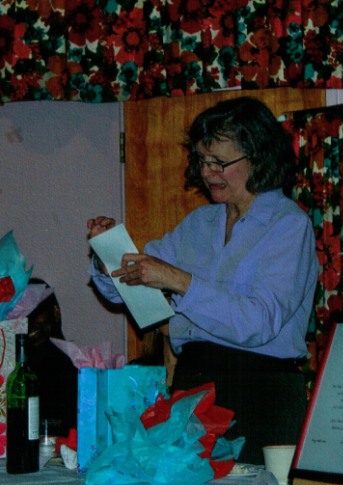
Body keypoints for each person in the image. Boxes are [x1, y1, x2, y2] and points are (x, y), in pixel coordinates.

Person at [86, 96, 318, 464]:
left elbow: (258, 322)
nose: (208, 173)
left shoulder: (289, 224)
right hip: (193, 388)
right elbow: (133, 287)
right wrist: (108, 254)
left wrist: (180, 281)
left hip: (261, 393)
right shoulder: (198, 224)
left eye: (219, 162)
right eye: (202, 161)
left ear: (258, 157)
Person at [26, 278, 78, 438]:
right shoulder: (17, 369)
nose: (29, 321)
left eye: (36, 311)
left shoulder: (73, 364)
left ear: (55, 312)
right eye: (22, 314)